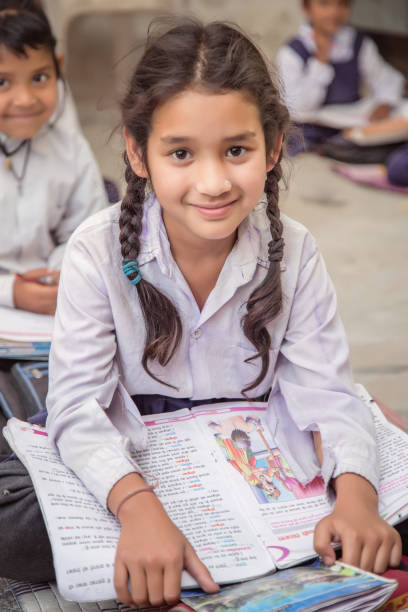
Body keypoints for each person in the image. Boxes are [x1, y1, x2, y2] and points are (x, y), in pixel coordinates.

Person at [0, 17, 404, 609]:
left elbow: (327, 393)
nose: (212, 182)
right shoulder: (98, 249)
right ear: (138, 153)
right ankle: (194, 551)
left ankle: (223, 558)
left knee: (374, 478)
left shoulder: (295, 250)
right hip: (143, 468)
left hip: (265, 476)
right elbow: (77, 409)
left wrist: (357, 501)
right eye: (181, 153)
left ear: (274, 145)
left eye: (236, 150)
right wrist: (138, 509)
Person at [0, 0, 108, 315]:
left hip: (54, 303)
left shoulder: (71, 151)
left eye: (39, 78)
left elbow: (87, 234)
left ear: (58, 68)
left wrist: (60, 275)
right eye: (2, 82)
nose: (25, 99)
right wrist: (11, 291)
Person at [276, 0, 405, 153]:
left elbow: (385, 77)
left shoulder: (358, 43)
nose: (334, 12)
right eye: (325, 4)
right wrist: (321, 60)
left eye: (343, 4)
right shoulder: (292, 52)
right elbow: (298, 107)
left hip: (350, 121)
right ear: (306, 7)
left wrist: (385, 102)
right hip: (312, 128)